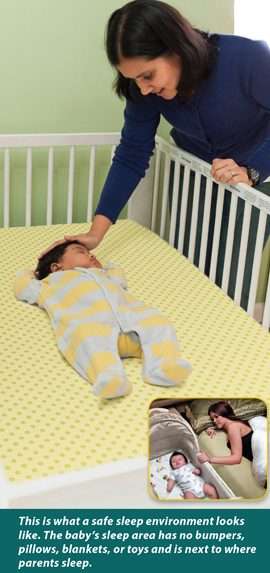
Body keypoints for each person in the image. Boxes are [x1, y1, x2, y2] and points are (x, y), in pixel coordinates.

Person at [39, 0, 270, 308]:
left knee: (234, 273)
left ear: (177, 49)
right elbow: (132, 152)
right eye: (134, 78)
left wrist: (252, 170)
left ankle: (236, 342)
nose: (143, 89)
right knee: (189, 263)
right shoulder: (141, 89)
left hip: (254, 175)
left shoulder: (248, 58)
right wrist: (95, 234)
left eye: (148, 75)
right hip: (193, 171)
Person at [13, 241, 192, 399]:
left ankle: (161, 366)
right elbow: (21, 285)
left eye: (90, 253)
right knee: (83, 335)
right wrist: (35, 271)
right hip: (93, 325)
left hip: (132, 323)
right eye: (80, 252)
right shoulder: (48, 283)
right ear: (56, 267)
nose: (91, 254)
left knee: (158, 321)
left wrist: (98, 265)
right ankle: (109, 376)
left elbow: (119, 275)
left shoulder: (104, 274)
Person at [198, 401, 254, 466]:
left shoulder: (233, 426)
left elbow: (237, 458)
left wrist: (210, 459)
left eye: (216, 417)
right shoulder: (233, 426)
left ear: (225, 413)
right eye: (212, 419)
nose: (214, 421)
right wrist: (211, 428)